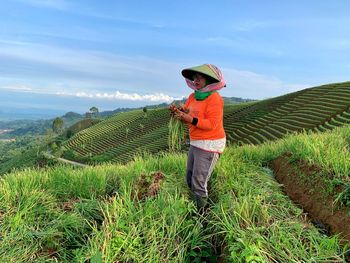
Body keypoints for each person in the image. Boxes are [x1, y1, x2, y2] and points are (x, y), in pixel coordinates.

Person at [170, 64, 226, 212]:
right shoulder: (193, 96)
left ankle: (202, 215)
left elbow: (211, 124)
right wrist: (180, 111)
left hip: (209, 144)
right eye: (194, 77)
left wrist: (189, 119)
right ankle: (194, 205)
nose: (196, 80)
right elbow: (189, 111)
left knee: (198, 181)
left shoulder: (214, 99)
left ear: (208, 80)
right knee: (189, 177)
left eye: (200, 77)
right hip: (196, 142)